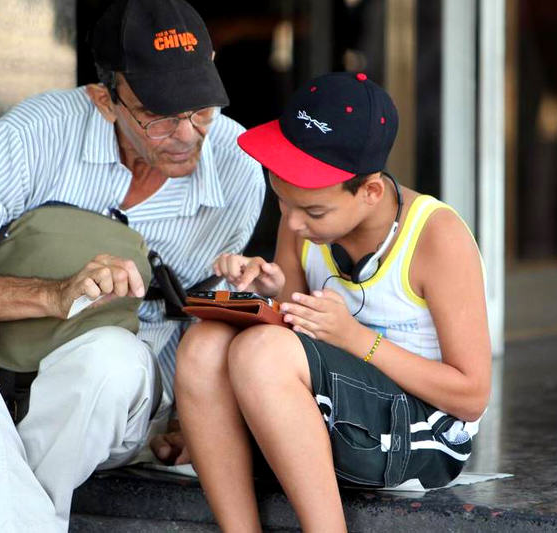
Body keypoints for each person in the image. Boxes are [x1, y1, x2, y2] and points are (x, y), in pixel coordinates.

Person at [0, 0, 264, 531]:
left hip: (103, 413)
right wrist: (53, 295)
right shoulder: (37, 132)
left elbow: (197, 314)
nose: (189, 134)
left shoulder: (238, 169)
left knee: (114, 358)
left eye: (202, 110)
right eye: (161, 116)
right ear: (105, 100)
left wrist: (200, 410)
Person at [174, 72, 492, 532]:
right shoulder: (300, 220)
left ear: (370, 191)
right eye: (282, 202)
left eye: (314, 211)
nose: (294, 222)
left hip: (423, 437)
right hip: (334, 415)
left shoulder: (437, 238)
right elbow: (292, 336)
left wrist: (356, 339)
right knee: (205, 345)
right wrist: (266, 294)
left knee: (260, 352)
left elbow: (471, 396)